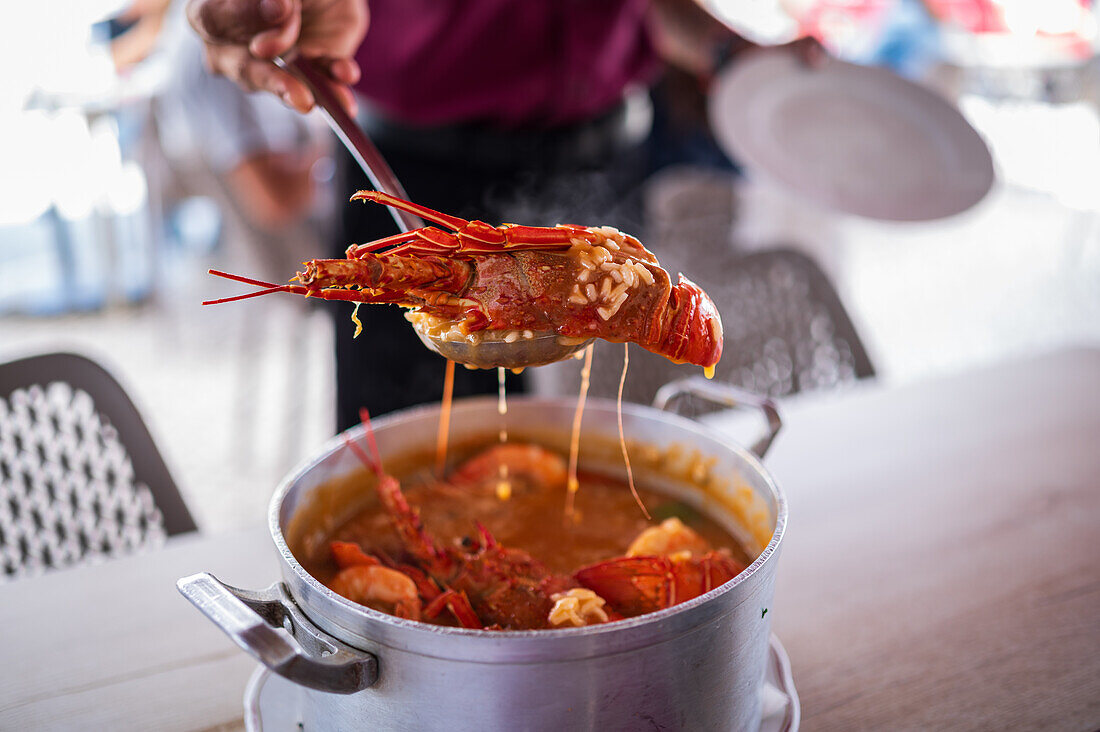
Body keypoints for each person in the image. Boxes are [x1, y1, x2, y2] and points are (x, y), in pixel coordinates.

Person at [187, 0, 797, 431]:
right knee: (400, 446)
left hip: (607, 158)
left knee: (609, 438)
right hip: (414, 162)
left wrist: (724, 49)